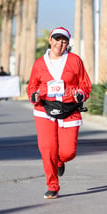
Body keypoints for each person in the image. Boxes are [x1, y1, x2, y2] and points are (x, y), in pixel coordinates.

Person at [27, 26, 92, 199]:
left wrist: (81, 94)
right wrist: (33, 96)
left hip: (69, 109)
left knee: (68, 151)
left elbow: (85, 84)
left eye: (64, 41)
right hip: (44, 109)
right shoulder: (39, 63)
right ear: (50, 40)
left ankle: (60, 161)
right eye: (57, 39)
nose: (60, 43)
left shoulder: (74, 60)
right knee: (48, 149)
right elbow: (32, 86)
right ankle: (53, 185)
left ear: (67, 44)